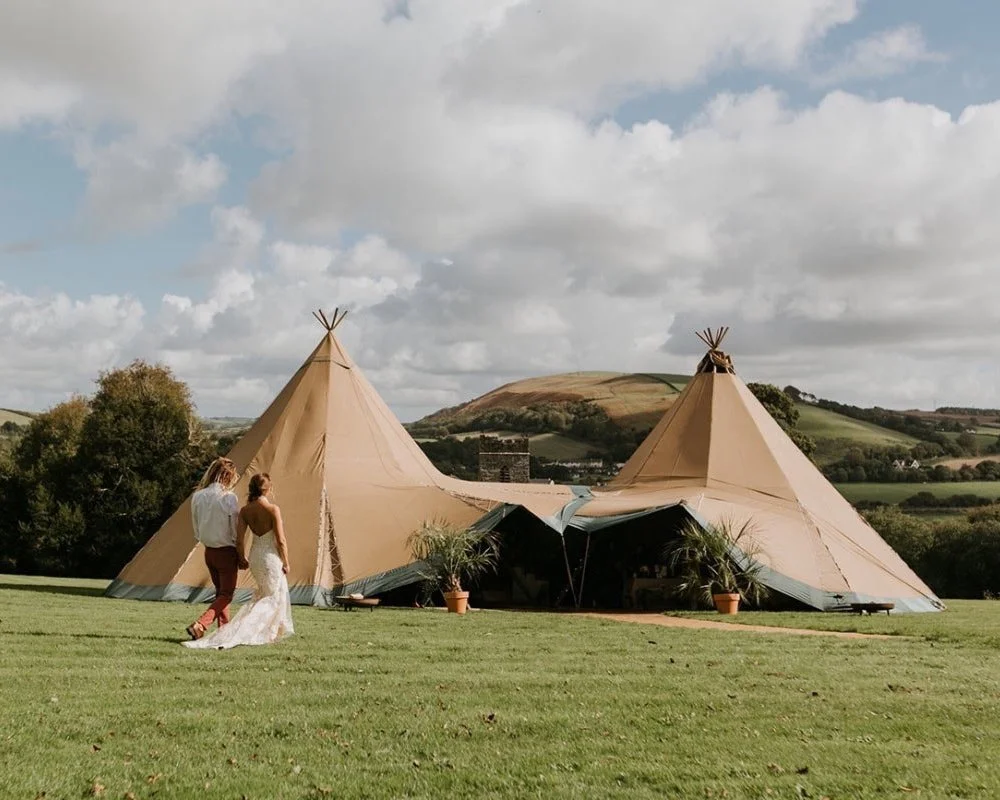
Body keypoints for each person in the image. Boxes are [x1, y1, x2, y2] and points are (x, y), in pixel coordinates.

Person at [183, 473, 294, 650]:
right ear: (268, 489)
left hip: (256, 556)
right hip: (270, 557)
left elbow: (240, 539)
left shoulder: (245, 511)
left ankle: (265, 633)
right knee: (272, 596)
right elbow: (281, 540)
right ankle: (250, 631)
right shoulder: (273, 510)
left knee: (264, 594)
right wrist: (286, 562)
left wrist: (242, 557)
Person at [185, 457, 244, 641]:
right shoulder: (228, 498)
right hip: (226, 550)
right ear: (228, 477)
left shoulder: (198, 496)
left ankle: (223, 633)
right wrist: (240, 552)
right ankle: (201, 623)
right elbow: (234, 529)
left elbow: (196, 527)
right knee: (226, 594)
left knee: (221, 594)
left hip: (208, 550)